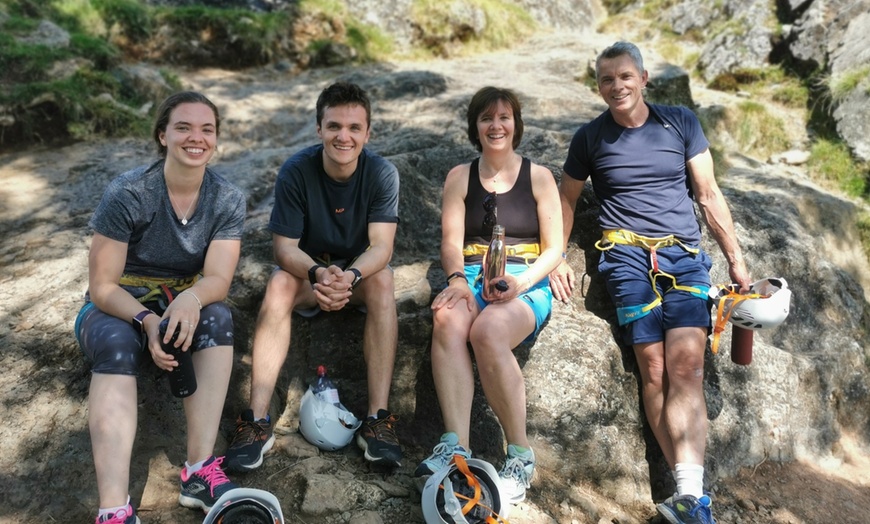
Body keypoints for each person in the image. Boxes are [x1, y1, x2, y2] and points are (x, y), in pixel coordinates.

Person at [550, 41, 751, 524]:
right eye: (605, 79)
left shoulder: (680, 122)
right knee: (654, 370)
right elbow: (565, 199)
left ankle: (690, 495)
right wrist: (554, 256)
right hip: (625, 262)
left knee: (687, 369)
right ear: (598, 87)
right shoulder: (589, 138)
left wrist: (736, 261)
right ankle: (689, 495)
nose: (616, 86)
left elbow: (707, 194)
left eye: (624, 76)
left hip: (683, 260)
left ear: (643, 79)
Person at [76, 91, 246, 524]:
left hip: (179, 299)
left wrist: (189, 300)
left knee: (219, 319)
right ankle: (114, 510)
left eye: (207, 129)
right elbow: (101, 286)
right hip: (119, 305)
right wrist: (148, 321)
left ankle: (198, 470)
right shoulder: (130, 193)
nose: (197, 138)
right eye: (184, 127)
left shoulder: (226, 199)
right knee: (117, 345)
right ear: (162, 135)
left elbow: (218, 280)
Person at [224, 81, 402, 471]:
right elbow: (284, 249)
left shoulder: (382, 174)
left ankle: (378, 420)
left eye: (354, 128)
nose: (344, 136)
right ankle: (256, 422)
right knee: (278, 282)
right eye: (334, 126)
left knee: (385, 279)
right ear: (319, 129)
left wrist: (350, 276)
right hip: (311, 276)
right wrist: (320, 274)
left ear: (367, 133)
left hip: (356, 280)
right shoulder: (296, 171)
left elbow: (381, 248)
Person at [414, 86, 563, 504]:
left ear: (516, 124)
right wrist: (457, 278)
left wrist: (523, 282)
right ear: (474, 126)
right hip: (474, 274)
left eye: (504, 118)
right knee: (446, 318)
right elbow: (450, 241)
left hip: (523, 278)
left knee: (488, 332)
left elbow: (554, 248)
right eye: (486, 118)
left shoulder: (538, 176)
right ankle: (455, 446)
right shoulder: (459, 176)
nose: (495, 126)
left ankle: (519, 454)